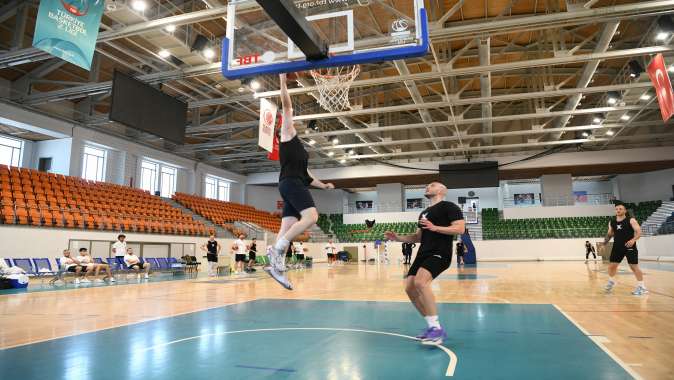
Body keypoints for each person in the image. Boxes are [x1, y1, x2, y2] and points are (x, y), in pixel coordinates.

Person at [264, 73, 335, 290]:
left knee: (286, 226)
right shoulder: (286, 135)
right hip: (291, 183)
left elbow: (307, 175)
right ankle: (278, 249)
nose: (290, 123)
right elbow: (287, 108)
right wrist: (283, 82)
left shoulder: (299, 150)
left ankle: (277, 266)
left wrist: (323, 185)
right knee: (312, 216)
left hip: (293, 183)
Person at [385, 182, 465, 345]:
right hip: (423, 253)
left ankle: (437, 330)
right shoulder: (424, 212)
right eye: (428, 185)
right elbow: (418, 237)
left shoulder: (450, 207)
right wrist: (398, 238)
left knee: (421, 282)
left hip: (440, 252)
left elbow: (459, 229)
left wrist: (435, 228)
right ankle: (431, 327)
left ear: (442, 190)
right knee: (409, 288)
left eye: (433, 185)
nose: (428, 187)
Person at [603, 203, 647, 295]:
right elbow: (609, 234)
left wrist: (633, 240)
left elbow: (639, 232)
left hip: (629, 246)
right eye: (617, 209)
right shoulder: (612, 222)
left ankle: (642, 287)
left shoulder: (631, 220)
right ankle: (611, 281)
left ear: (625, 211)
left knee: (633, 266)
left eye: (620, 209)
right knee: (612, 266)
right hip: (617, 247)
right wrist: (604, 244)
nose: (618, 210)